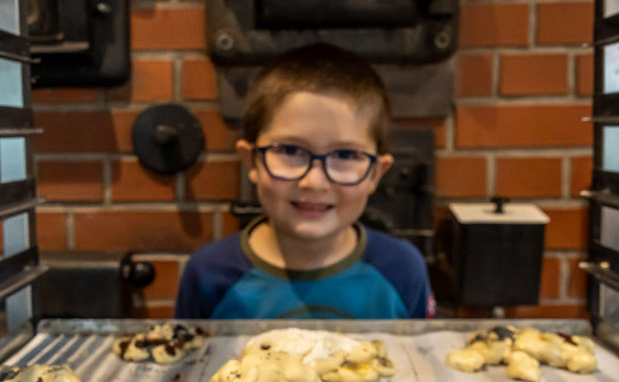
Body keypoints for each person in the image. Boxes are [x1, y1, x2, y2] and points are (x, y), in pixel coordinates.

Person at [174, 43, 435, 319]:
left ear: (376, 174)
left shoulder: (402, 270)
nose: (314, 181)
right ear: (252, 162)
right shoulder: (209, 274)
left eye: (346, 154)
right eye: (289, 151)